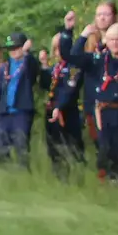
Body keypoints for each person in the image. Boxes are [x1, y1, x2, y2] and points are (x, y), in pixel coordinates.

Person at [59, 12, 118, 186]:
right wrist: (72, 32)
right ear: (106, 40)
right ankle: (108, 185)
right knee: (104, 151)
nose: (115, 43)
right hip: (103, 112)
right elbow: (70, 56)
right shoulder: (98, 60)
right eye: (111, 39)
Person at [0, 31, 41, 167]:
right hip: (4, 113)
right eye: (10, 49)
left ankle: (23, 173)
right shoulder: (5, 67)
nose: (13, 51)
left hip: (21, 112)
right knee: (0, 146)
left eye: (17, 48)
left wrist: (27, 53)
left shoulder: (27, 64)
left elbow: (34, 68)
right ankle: (4, 172)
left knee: (21, 145)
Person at [44, 43, 85, 176]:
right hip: (51, 110)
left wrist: (59, 106)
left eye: (62, 48)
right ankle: (59, 174)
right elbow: (45, 85)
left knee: (72, 144)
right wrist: (44, 66)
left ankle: (78, 173)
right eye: (56, 49)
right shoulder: (54, 68)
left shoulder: (74, 67)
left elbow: (69, 89)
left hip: (68, 111)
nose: (59, 52)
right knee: (54, 145)